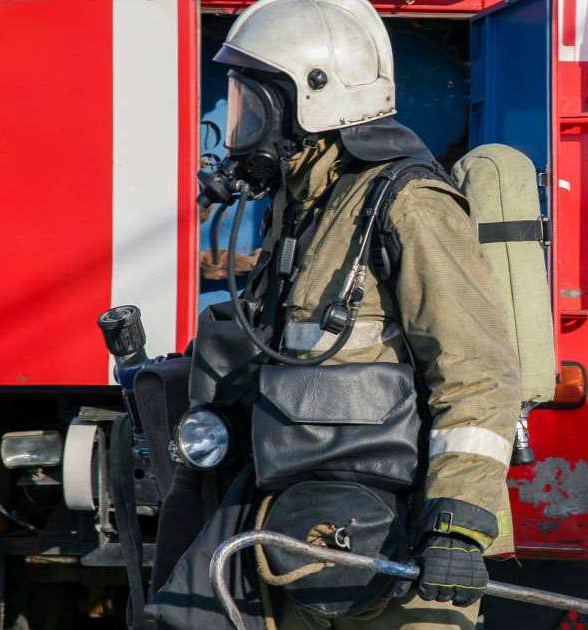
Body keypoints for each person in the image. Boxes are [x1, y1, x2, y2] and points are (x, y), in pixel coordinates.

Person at [151, 2, 521, 629]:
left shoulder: (411, 204)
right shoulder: (304, 206)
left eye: (255, 105)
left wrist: (456, 527)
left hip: (404, 540)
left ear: (314, 99)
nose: (242, 127)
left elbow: (479, 374)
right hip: (301, 531)